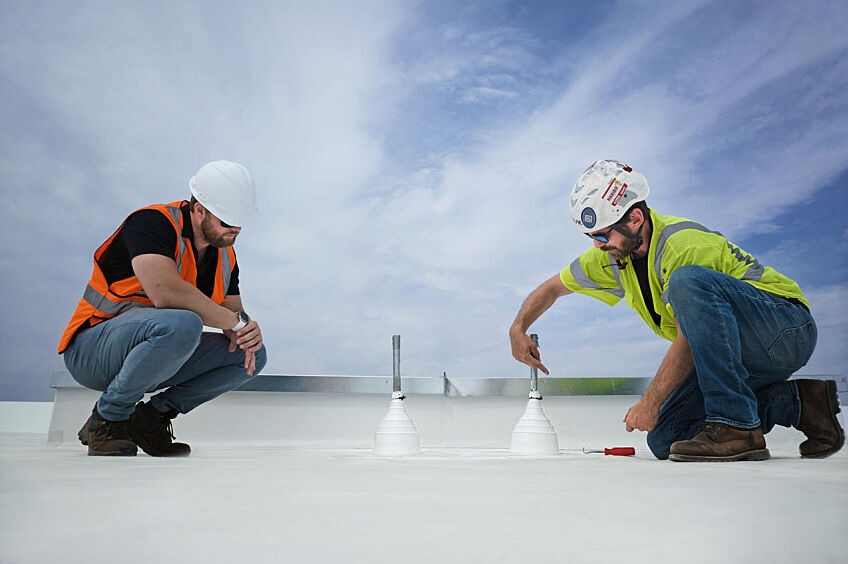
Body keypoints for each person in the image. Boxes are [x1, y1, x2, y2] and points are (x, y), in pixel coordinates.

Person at [509, 159, 844, 462]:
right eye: (591, 237)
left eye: (602, 235)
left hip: (785, 331)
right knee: (666, 436)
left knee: (688, 281)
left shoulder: (683, 244)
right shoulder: (614, 256)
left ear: (634, 219)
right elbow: (553, 287)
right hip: (738, 351)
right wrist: (518, 328)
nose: (597, 245)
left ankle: (736, 426)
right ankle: (801, 404)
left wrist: (651, 400)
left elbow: (688, 335)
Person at [58, 160, 268, 457]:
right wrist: (236, 322)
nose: (234, 230)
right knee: (183, 323)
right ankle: (107, 419)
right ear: (200, 210)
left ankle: (149, 418)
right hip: (92, 350)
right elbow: (164, 293)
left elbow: (234, 318)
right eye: (226, 222)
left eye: (239, 224)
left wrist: (246, 330)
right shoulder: (152, 223)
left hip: (153, 355)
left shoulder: (225, 257)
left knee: (251, 355)